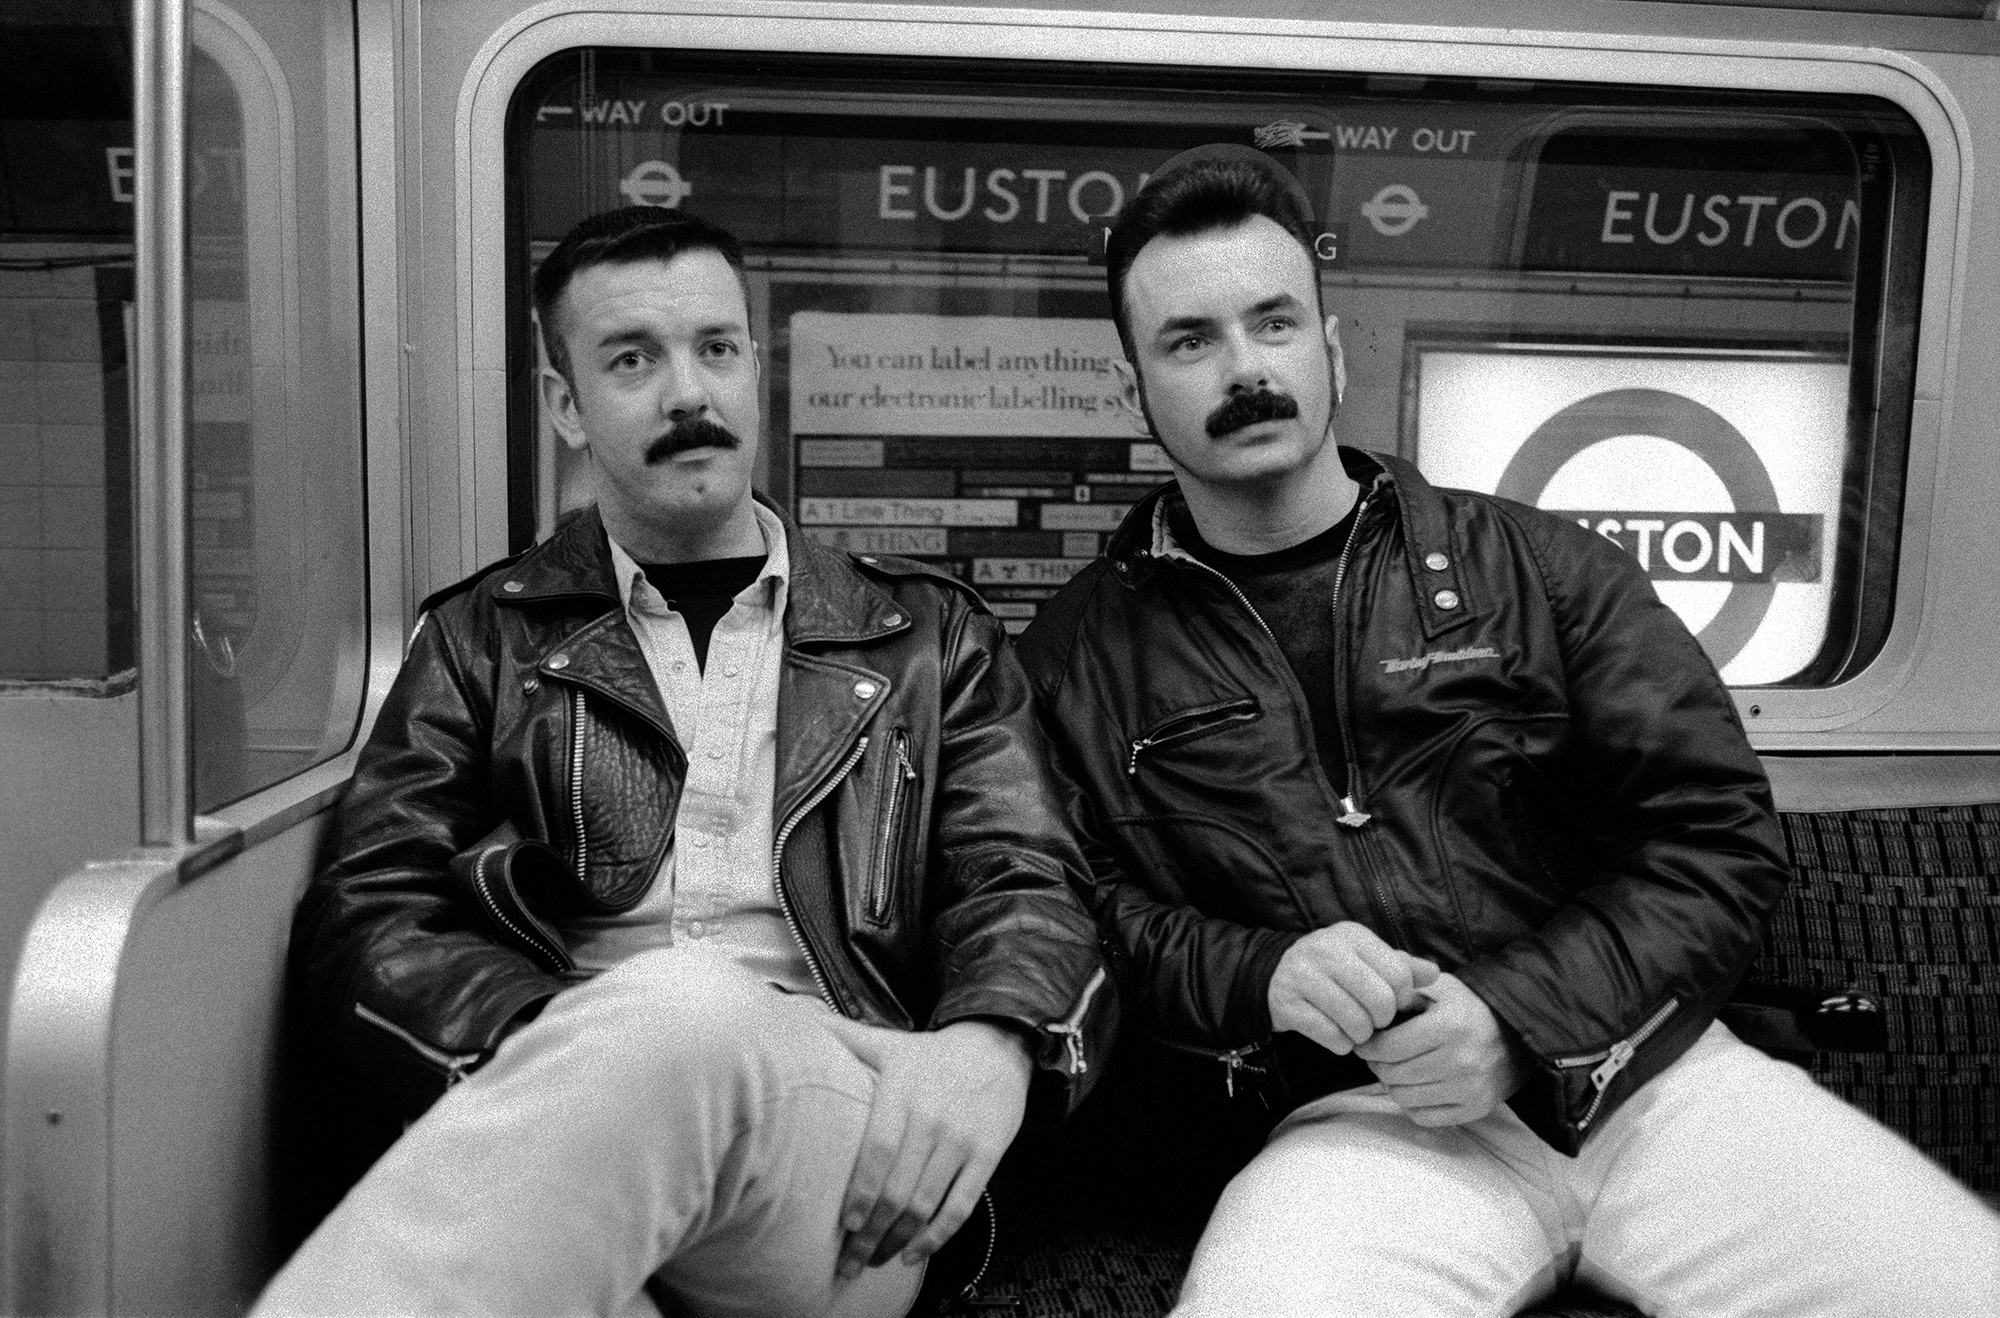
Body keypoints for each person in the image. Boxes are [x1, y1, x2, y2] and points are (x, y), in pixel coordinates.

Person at [1014, 144, 1999, 1317]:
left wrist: (1514, 1017)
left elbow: (1711, 839)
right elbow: (1085, 918)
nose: (1244, 369)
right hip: (1362, 1124)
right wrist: (1264, 971)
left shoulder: (1543, 570)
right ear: (1134, 391)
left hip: (1652, 1079)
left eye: (1272, 324)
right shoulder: (1073, 655)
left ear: (1329, 351)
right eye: (1189, 341)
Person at [258, 205, 1112, 1318]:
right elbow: (370, 910)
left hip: (840, 1161)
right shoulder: (481, 637)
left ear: (755, 368)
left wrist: (990, 1046)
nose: (687, 394)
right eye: (632, 359)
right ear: (566, 404)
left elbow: (1030, 883)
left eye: (715, 347)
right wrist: (561, 1057)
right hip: (570, 1134)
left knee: (681, 1014)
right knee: (656, 1041)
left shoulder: (926, 637)